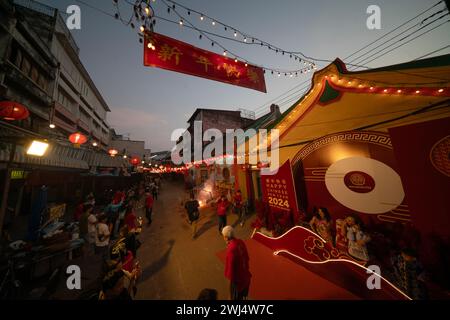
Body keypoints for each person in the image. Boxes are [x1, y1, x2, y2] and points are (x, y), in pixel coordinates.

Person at [222, 226, 251, 300]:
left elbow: (230, 272)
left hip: (238, 281)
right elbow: (247, 257)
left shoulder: (231, 249)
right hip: (246, 276)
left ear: (226, 237)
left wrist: (230, 292)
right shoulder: (240, 242)